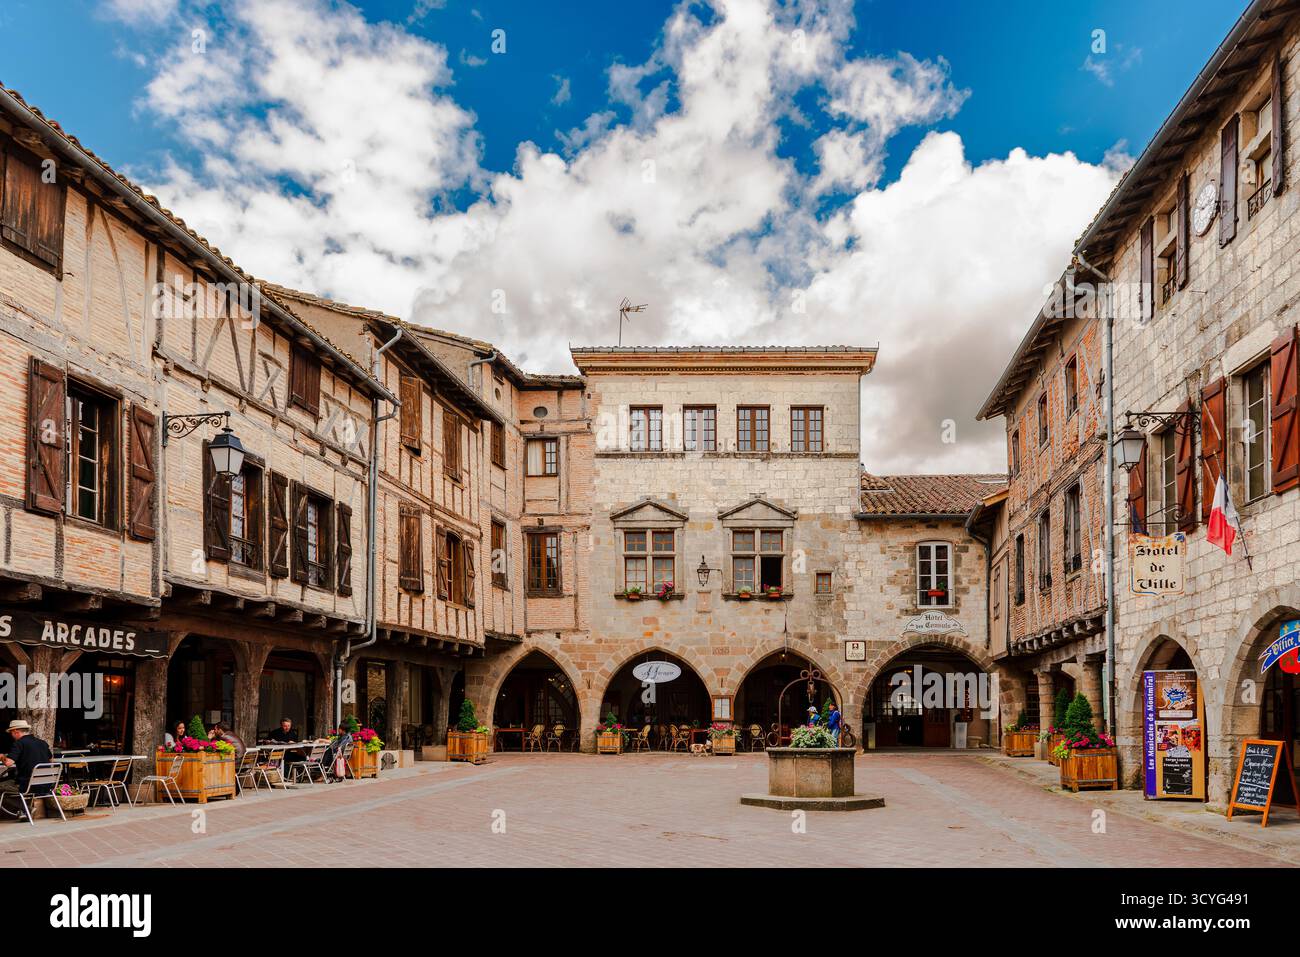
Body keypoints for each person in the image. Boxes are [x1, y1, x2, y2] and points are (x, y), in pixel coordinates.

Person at [0, 719, 54, 819]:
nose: (11, 736)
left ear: (16, 731)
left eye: (11, 733)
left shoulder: (19, 744)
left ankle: (26, 809)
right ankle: (23, 811)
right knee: (18, 780)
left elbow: (8, 763)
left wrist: (2, 756)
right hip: (46, 785)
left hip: (28, 786)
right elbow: (51, 760)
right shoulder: (42, 743)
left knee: (3, 785)